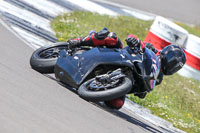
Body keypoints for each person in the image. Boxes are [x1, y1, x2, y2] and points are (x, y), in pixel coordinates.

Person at [67, 27, 186, 109]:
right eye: (173, 61)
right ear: (166, 53)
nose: (172, 65)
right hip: (121, 56)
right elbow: (140, 45)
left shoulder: (158, 78)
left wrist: (142, 90)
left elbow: (141, 92)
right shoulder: (153, 50)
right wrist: (135, 41)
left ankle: (96, 85)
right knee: (112, 37)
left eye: (175, 66)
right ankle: (80, 41)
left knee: (117, 104)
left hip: (125, 76)